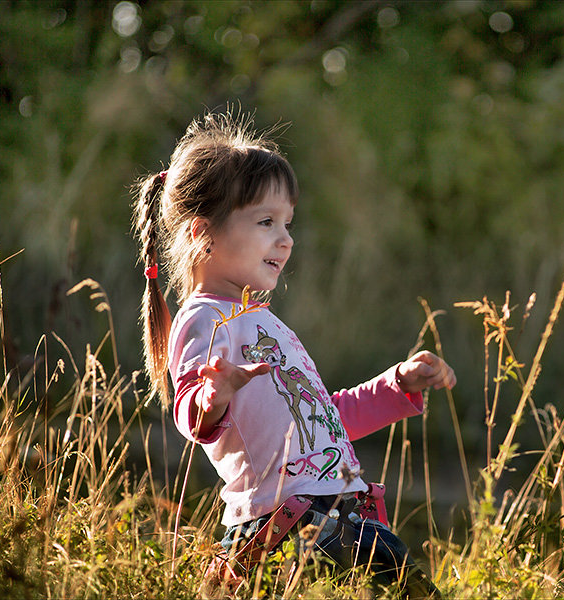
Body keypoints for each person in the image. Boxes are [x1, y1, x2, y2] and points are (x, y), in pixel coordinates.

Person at [132, 112, 455, 598]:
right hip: (284, 530)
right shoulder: (203, 319)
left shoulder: (266, 324)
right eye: (266, 222)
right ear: (202, 233)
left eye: (287, 223)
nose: (286, 239)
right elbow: (191, 413)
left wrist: (397, 385)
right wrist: (210, 398)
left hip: (342, 518)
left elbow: (320, 421)